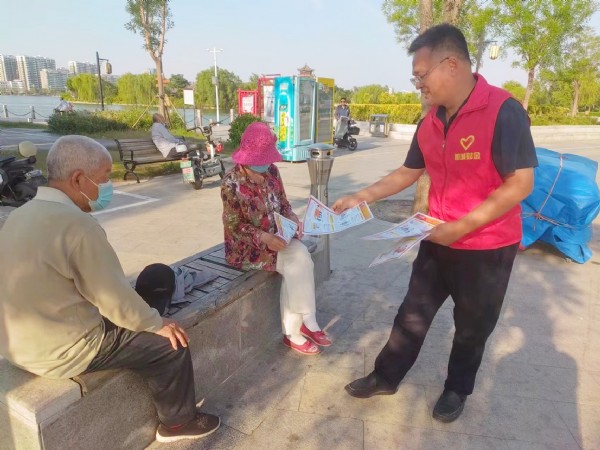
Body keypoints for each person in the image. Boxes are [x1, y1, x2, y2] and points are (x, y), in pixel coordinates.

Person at [332, 24, 537, 423]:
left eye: (421, 75)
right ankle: (386, 376)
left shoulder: (502, 111)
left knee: (472, 325)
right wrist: (362, 196)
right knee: (412, 312)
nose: (418, 84)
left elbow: (520, 183)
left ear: (452, 65)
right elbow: (408, 171)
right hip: (436, 236)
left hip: (487, 247)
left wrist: (461, 227)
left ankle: (457, 389)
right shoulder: (430, 121)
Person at [0, 135, 220, 443]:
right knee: (171, 345)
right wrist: (158, 324)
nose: (107, 187)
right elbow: (114, 301)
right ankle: (177, 424)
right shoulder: (78, 226)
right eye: (104, 178)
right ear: (79, 179)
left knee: (155, 276)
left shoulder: (19, 216)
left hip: (16, 345)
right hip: (64, 350)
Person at [221, 122, 332, 356]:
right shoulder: (231, 183)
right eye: (259, 162)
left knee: (301, 256)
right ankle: (301, 326)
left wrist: (292, 219)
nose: (264, 167)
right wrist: (263, 237)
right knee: (296, 264)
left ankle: (301, 326)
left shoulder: (271, 171)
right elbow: (234, 226)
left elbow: (283, 204)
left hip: (278, 236)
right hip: (248, 247)